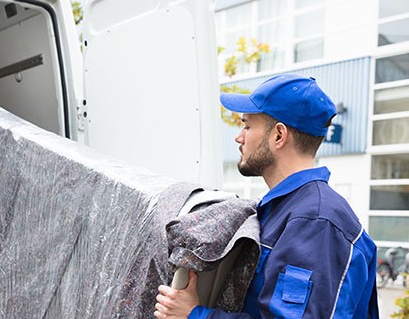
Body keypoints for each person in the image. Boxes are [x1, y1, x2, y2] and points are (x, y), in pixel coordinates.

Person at [154, 74, 379, 318]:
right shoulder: (284, 210)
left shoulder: (315, 221)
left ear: (278, 136)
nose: (239, 137)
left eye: (247, 125)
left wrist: (195, 315)